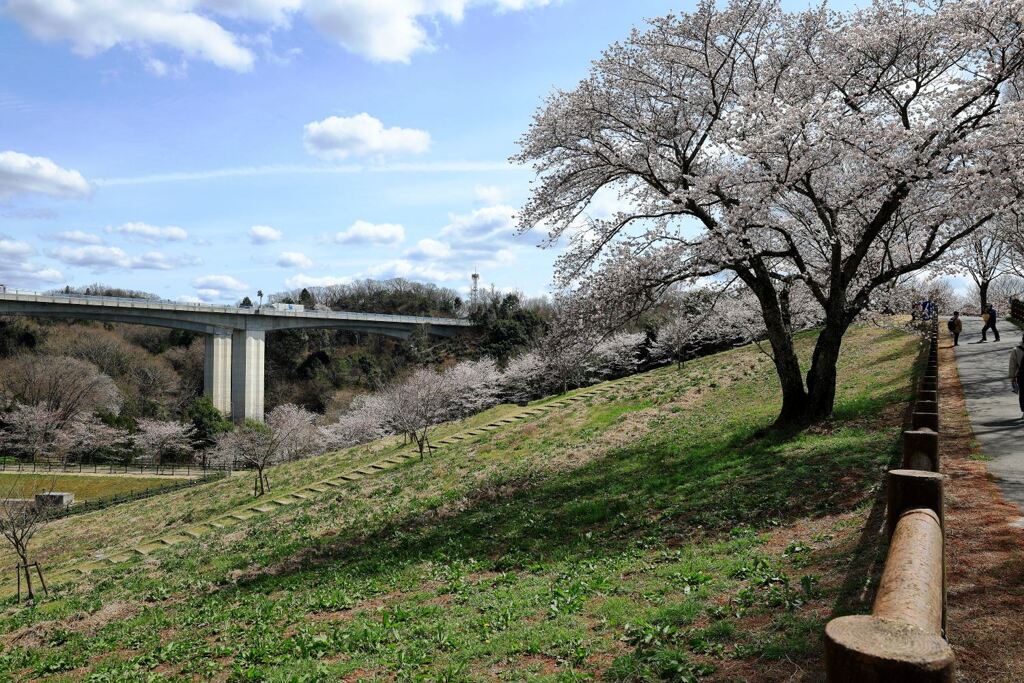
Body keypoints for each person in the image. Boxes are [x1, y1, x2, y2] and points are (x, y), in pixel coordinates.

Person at [1010, 336, 1024, 418]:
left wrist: (1012, 377)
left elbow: (1013, 365)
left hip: (1021, 375)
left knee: (1022, 393)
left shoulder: (1016, 350)